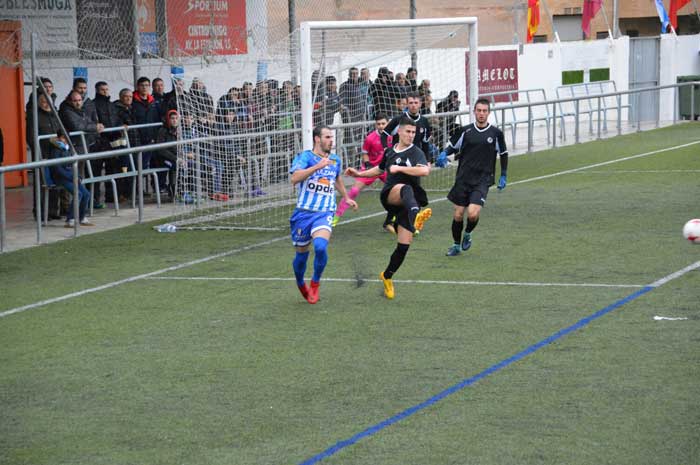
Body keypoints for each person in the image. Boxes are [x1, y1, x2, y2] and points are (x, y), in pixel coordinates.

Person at [345, 117, 432, 300]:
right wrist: (359, 173)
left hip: (408, 204)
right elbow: (379, 169)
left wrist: (400, 169)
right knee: (405, 188)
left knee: (403, 246)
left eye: (413, 132)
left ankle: (387, 276)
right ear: (399, 132)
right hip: (391, 195)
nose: (411, 135)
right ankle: (416, 217)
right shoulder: (390, 151)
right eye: (408, 131)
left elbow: (424, 171)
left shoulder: (416, 152)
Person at [289, 125, 357, 304]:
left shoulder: (335, 160)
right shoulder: (305, 157)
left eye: (331, 137)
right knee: (301, 256)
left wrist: (346, 197)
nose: (331, 141)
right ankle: (300, 282)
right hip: (303, 213)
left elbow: (336, 178)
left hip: (325, 212)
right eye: (327, 137)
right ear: (317, 139)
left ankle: (315, 283)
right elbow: (294, 178)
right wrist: (317, 166)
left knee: (320, 247)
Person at [436, 98, 508, 257]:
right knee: (458, 214)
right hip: (463, 178)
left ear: (488, 113)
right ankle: (456, 245)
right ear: (474, 111)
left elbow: (503, 153)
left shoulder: (496, 134)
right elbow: (452, 147)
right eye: (479, 110)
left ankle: (467, 233)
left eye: (484, 111)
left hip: (482, 180)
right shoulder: (465, 131)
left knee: (473, 214)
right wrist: (443, 153)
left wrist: (503, 174)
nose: (481, 113)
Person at [332, 113, 396, 233]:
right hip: (371, 168)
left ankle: (394, 219)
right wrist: (367, 164)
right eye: (378, 124)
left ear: (388, 123)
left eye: (383, 123)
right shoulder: (370, 138)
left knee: (396, 191)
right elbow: (365, 153)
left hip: (385, 169)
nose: (381, 126)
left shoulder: (392, 137)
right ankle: (335, 217)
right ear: (375, 125)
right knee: (354, 191)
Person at [47, 130, 94, 228]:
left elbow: (74, 165)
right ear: (59, 138)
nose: (65, 140)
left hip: (71, 177)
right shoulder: (55, 150)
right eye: (63, 138)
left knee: (86, 194)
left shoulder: (68, 149)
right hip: (60, 178)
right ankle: (70, 219)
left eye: (66, 138)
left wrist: (78, 176)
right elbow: (57, 169)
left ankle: (81, 217)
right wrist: (72, 177)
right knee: (78, 194)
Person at [381, 91, 432, 161]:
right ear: (407, 104)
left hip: (416, 158)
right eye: (411, 103)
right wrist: (386, 150)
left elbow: (425, 143)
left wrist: (427, 161)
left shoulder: (424, 121)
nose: (413, 105)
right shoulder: (398, 119)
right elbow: (384, 135)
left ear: (420, 104)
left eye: (416, 103)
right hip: (398, 158)